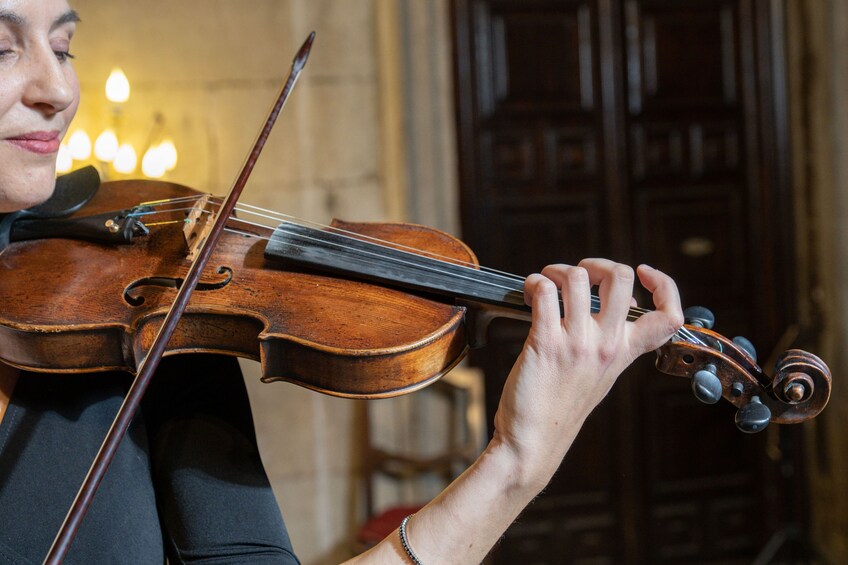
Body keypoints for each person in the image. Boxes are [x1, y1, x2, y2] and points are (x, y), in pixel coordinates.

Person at [0, 0, 685, 563]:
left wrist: (515, 465)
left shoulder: (153, 311)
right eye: (4, 48)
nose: (58, 89)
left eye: (62, 47)